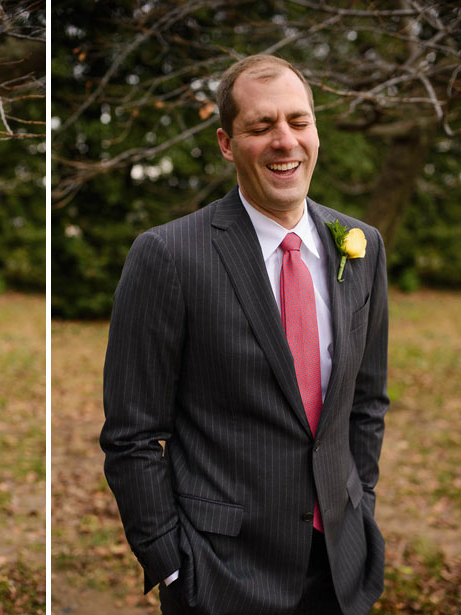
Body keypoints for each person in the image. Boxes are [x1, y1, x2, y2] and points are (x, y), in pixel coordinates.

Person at [100, 54, 388, 615]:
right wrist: (170, 561)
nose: (286, 141)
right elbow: (132, 434)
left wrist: (361, 505)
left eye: (298, 122)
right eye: (261, 127)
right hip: (220, 572)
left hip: (340, 567)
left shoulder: (361, 246)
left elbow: (367, 402)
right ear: (227, 143)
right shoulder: (168, 255)